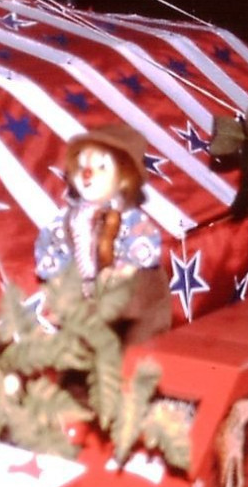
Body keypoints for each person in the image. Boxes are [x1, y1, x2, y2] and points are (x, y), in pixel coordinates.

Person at [35, 124, 170, 345]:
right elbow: (51, 248)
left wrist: (121, 272)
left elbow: (143, 248)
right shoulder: (68, 220)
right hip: (84, 302)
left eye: (101, 166)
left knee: (136, 331)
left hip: (129, 302)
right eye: (82, 166)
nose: (88, 173)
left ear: (125, 179)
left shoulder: (129, 219)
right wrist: (58, 284)